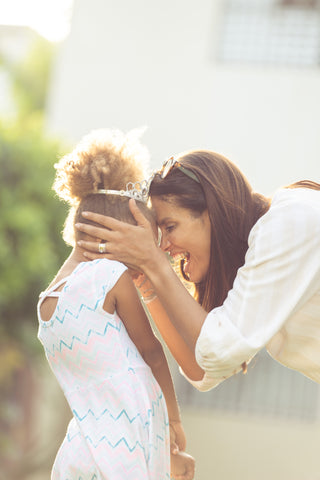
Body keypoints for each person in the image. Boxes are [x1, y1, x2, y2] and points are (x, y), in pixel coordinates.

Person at [75, 150, 320, 392]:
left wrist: (153, 261)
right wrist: (148, 281)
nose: (163, 246)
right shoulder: (266, 245)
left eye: (170, 227)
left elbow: (218, 351)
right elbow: (203, 371)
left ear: (212, 212)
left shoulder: (288, 222)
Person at [37, 129, 195, 480]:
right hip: (125, 444)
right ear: (114, 235)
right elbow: (151, 351)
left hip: (84, 445)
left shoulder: (47, 303)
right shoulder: (108, 276)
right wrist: (173, 418)